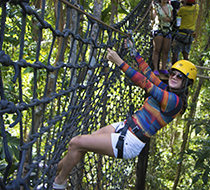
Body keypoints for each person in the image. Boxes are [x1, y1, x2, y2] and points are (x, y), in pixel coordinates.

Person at [52, 40, 197, 189]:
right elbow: (148, 73)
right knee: (81, 144)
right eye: (173, 73)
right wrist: (134, 52)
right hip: (125, 127)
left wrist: (119, 62)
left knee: (76, 142)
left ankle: (59, 182)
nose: (174, 77)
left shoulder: (175, 102)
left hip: (130, 140)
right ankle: (53, 170)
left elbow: (145, 84)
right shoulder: (167, 89)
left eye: (179, 76)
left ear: (186, 83)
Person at [171, 0, 199, 64]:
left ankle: (173, 69)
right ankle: (186, 70)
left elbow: (177, 15)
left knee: (175, 51)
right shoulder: (196, 8)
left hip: (181, 34)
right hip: (190, 35)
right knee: (185, 54)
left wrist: (183, 4)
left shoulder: (182, 9)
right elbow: (196, 3)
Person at [150, 0, 173, 76]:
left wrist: (168, 19)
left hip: (167, 29)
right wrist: (151, 10)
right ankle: (155, 68)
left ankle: (163, 68)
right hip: (159, 29)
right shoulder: (156, 6)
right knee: (157, 50)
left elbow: (172, 18)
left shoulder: (170, 7)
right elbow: (152, 17)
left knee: (166, 50)